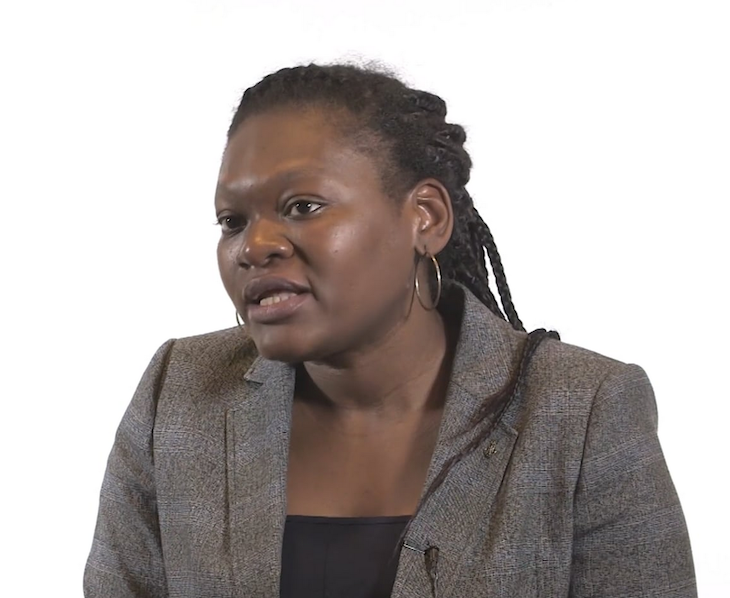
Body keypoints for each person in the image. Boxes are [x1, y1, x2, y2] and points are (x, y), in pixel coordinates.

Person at [83, 63, 697, 597]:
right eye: (231, 221)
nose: (254, 246)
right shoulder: (178, 395)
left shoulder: (581, 413)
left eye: (303, 206)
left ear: (424, 217)